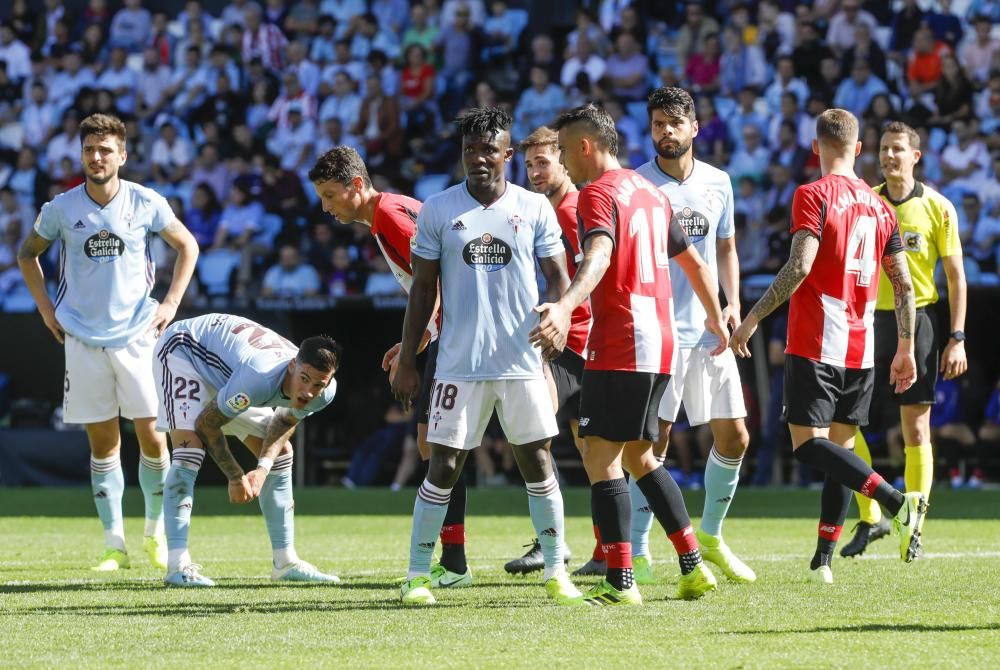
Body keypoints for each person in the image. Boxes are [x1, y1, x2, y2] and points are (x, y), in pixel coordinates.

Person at [533, 103, 726, 605]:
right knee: (641, 456)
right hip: (662, 339)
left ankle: (621, 581)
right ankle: (692, 565)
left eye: (562, 153)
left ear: (583, 147)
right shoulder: (652, 194)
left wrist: (566, 304)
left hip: (621, 340)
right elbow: (696, 264)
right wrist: (716, 315)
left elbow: (598, 252)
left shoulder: (597, 194)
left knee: (600, 455)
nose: (565, 167)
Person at [392, 107, 581, 606]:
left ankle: (557, 571)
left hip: (521, 359)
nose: (479, 159)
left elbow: (560, 278)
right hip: (458, 363)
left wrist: (561, 314)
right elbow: (421, 291)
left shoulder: (534, 208)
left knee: (536, 460)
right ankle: (416, 574)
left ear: (507, 155)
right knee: (444, 465)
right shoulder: (437, 209)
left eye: (489, 150)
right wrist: (409, 357)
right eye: (470, 150)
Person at [730, 109, 928, 584]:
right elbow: (903, 285)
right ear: (859, 149)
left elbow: (800, 266)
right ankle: (823, 560)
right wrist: (905, 346)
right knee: (840, 451)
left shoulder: (812, 194)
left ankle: (896, 502)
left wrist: (752, 319)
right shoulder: (881, 207)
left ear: (816, 147)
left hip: (818, 340)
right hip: (862, 347)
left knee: (808, 447)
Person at [16, 113, 199, 571]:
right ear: (81, 155)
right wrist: (45, 310)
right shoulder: (60, 208)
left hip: (139, 335)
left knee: (154, 438)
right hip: (81, 337)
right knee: (103, 444)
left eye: (105, 150)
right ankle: (113, 543)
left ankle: (154, 533)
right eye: (89, 150)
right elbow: (27, 254)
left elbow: (187, 245)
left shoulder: (146, 201)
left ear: (122, 155)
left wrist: (171, 302)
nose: (96, 157)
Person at [308, 146, 473, 590]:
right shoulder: (396, 208)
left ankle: (456, 562)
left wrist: (411, 352)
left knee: (441, 447)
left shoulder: (391, 219)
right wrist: (412, 340)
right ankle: (454, 558)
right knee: (433, 444)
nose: (326, 207)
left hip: (455, 335)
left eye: (329, 195)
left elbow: (432, 283)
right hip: (450, 331)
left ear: (356, 185)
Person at [625, 86, 754, 585]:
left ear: (694, 128)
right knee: (652, 442)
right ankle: (637, 548)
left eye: (675, 123)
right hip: (658, 330)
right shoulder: (637, 184)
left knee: (735, 435)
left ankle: (714, 535)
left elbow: (726, 248)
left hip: (708, 327)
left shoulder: (718, 182)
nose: (666, 132)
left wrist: (732, 304)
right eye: (658, 123)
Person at [840, 121, 967, 557]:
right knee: (843, 423)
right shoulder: (866, 203)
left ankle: (914, 525)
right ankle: (871, 517)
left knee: (915, 429)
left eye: (898, 149)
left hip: (921, 322)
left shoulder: (938, 207)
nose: (889, 156)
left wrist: (958, 337)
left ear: (916, 156)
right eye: (884, 149)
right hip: (868, 319)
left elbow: (956, 277)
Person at [156, 313, 341, 586]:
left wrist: (262, 469)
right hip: (184, 350)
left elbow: (284, 421)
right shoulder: (259, 377)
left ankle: (285, 561)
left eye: (318, 384)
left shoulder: (324, 392)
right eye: (304, 378)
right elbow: (207, 424)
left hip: (229, 374)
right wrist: (235, 475)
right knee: (189, 451)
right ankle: (177, 566)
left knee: (280, 454)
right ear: (292, 366)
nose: (308, 392)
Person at [503, 125, 593, 576]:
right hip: (565, 342)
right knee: (566, 441)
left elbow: (592, 275)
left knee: (538, 437)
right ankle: (576, 543)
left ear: (564, 160)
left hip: (577, 344)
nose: (535, 172)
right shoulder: (545, 209)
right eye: (529, 164)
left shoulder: (573, 210)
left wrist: (567, 317)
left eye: (543, 163)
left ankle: (589, 544)